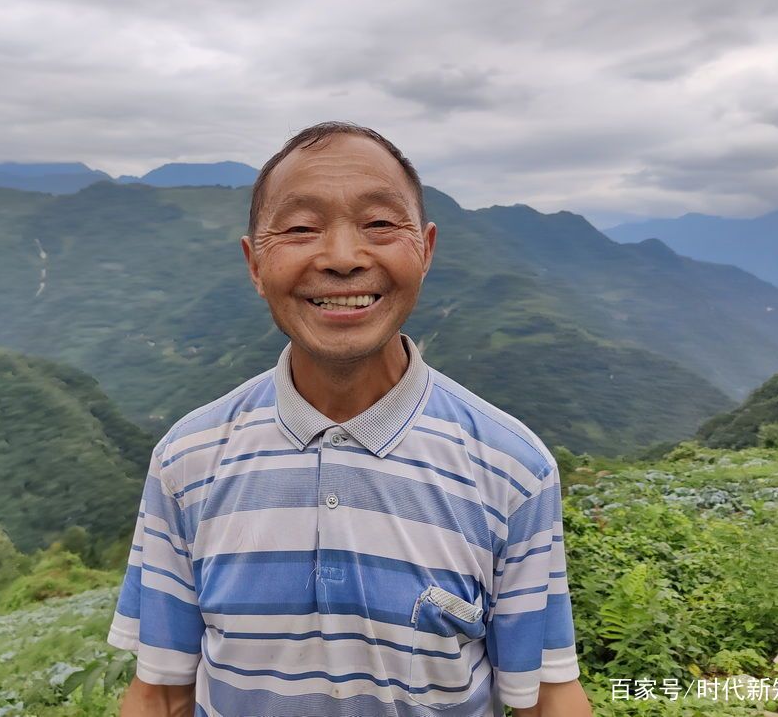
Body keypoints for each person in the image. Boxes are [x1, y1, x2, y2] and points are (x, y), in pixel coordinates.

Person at [107, 121, 593, 716]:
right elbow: (160, 693)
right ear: (254, 263)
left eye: (380, 225)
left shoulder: (513, 468)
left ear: (426, 249)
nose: (341, 259)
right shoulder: (187, 462)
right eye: (302, 228)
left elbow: (544, 698)